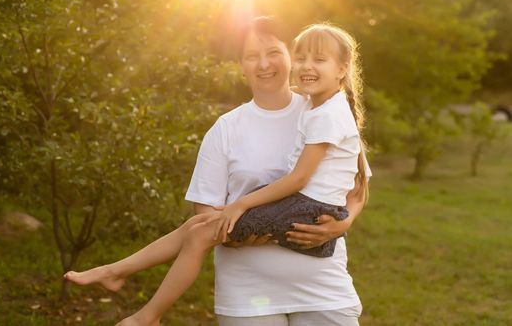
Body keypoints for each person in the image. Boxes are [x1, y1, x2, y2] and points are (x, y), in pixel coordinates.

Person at [64, 18, 371, 326]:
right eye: (252, 56)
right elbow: (208, 208)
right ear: (241, 66)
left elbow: (353, 188)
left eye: (273, 52)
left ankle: (145, 311)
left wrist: (339, 226)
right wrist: (238, 233)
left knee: (198, 233)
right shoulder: (231, 127)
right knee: (199, 225)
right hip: (247, 297)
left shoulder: (321, 109)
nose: (264, 64)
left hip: (323, 288)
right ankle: (120, 277)